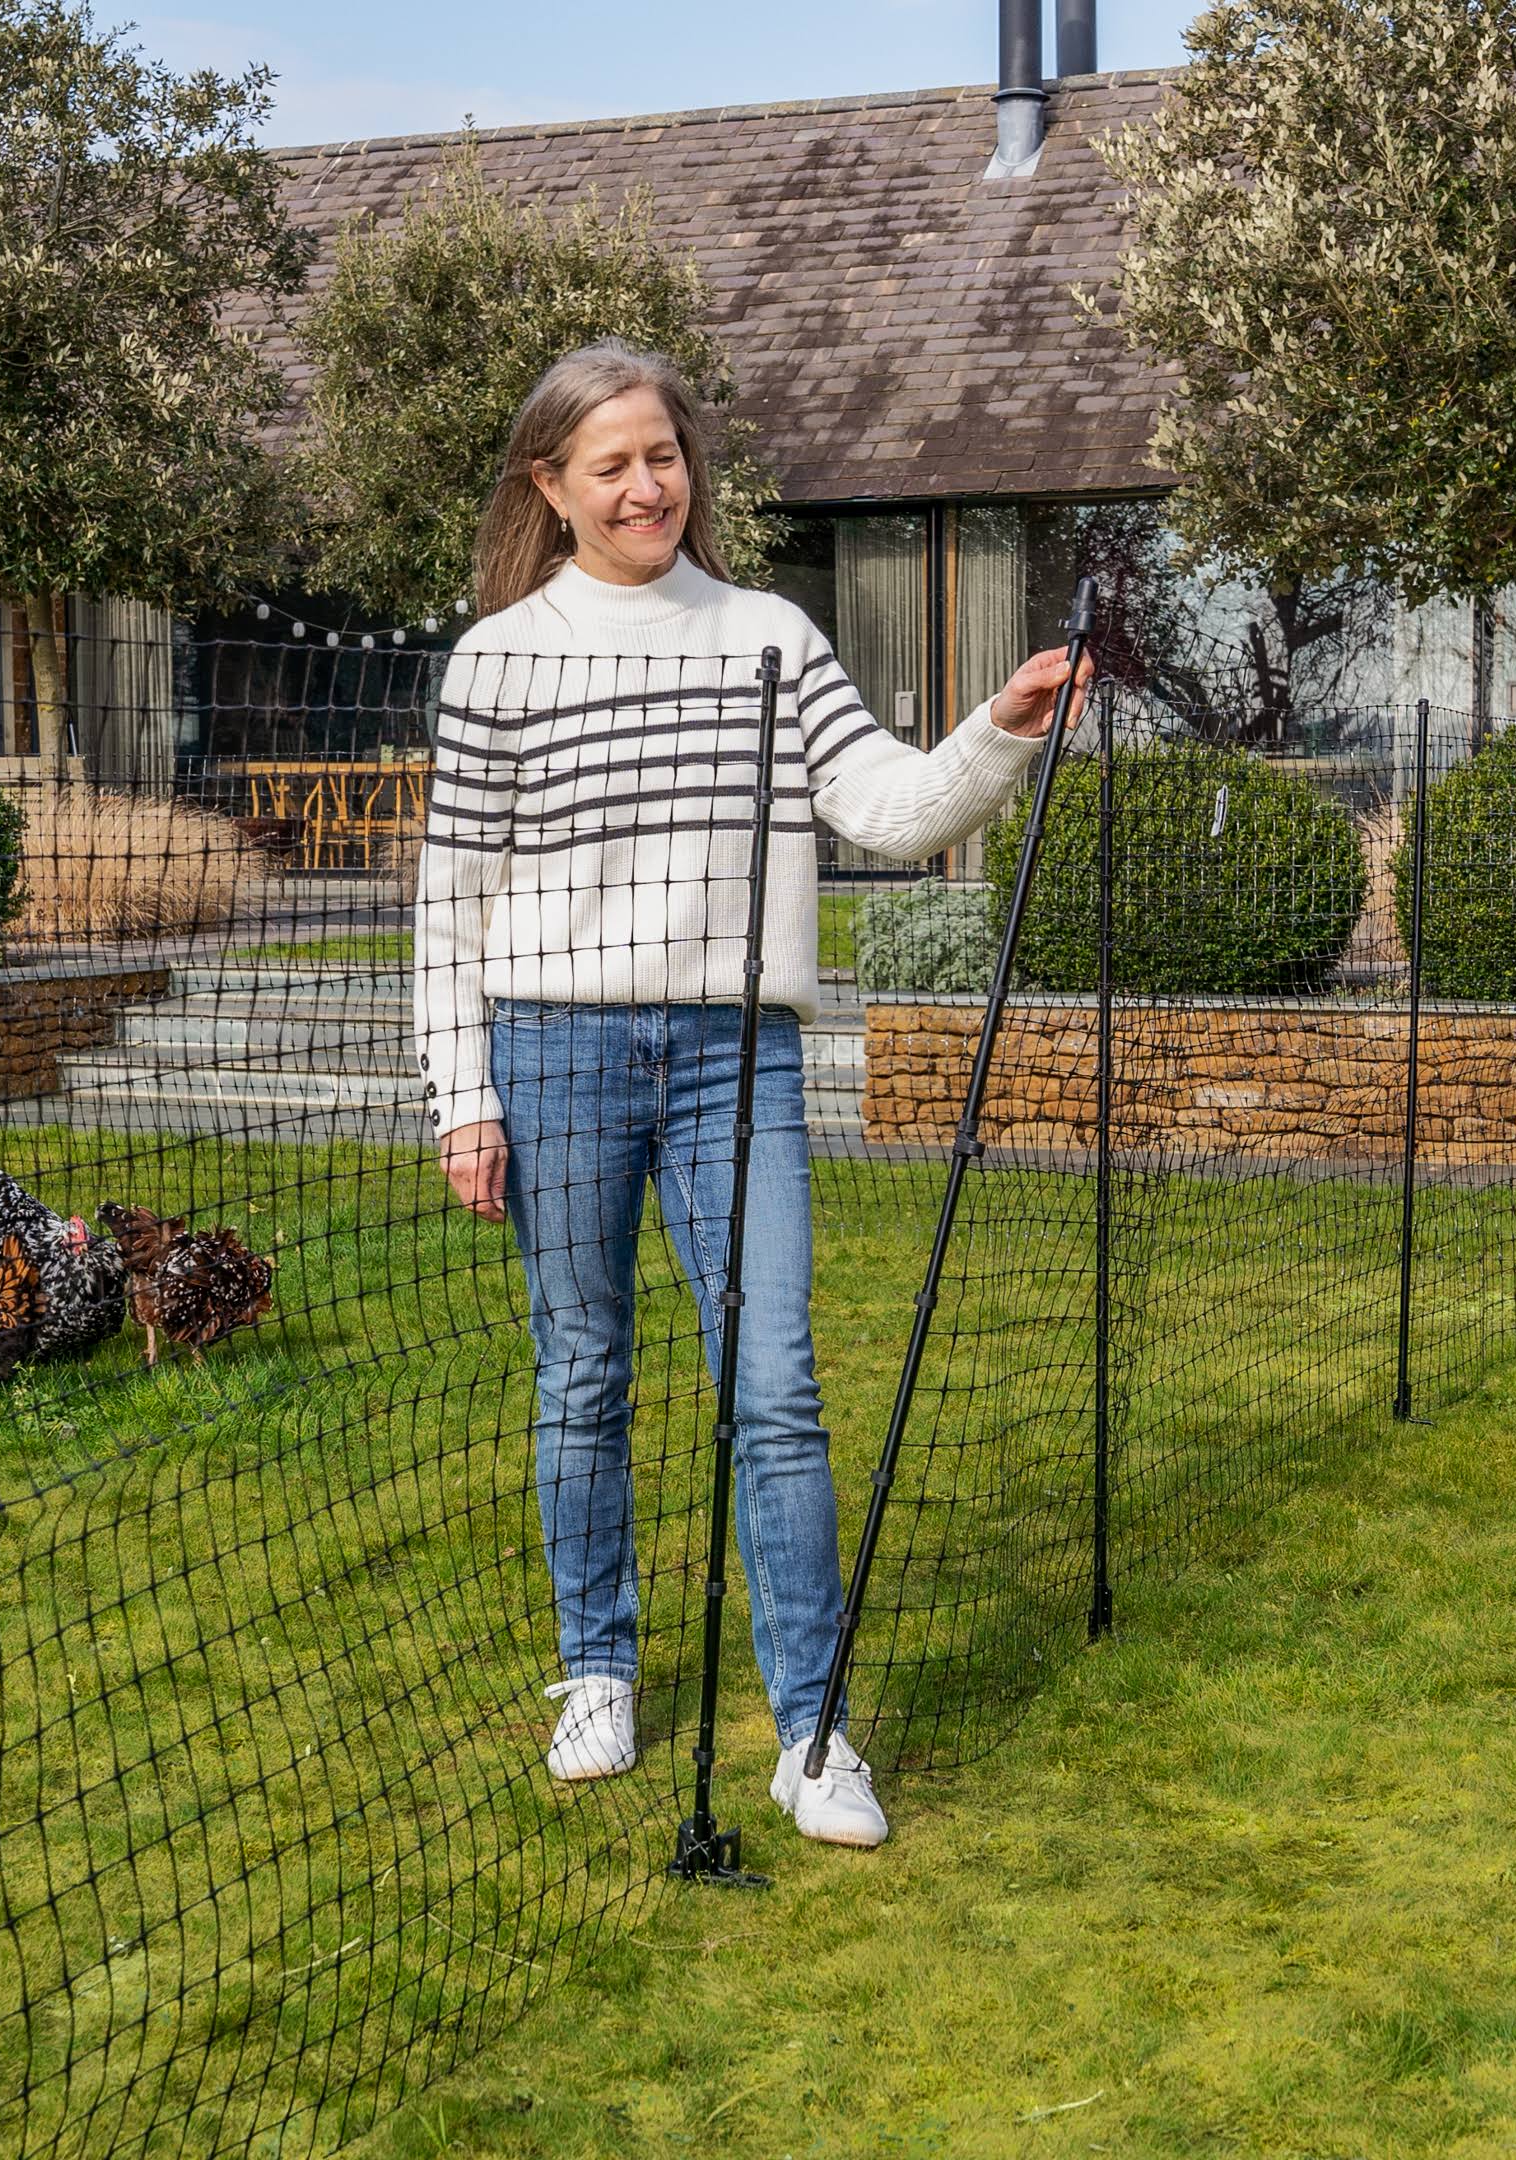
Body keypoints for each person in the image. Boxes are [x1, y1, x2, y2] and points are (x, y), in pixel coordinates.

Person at [415, 339, 1085, 1849]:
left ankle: (811, 1732)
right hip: (554, 1054)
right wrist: (464, 1094)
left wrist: (999, 730)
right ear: (551, 486)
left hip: (738, 1053)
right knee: (582, 1374)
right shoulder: (499, 659)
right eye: (611, 466)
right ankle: (598, 1672)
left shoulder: (770, 633)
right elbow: (449, 904)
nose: (645, 487)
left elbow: (890, 809)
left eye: (662, 456)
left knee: (773, 1388)